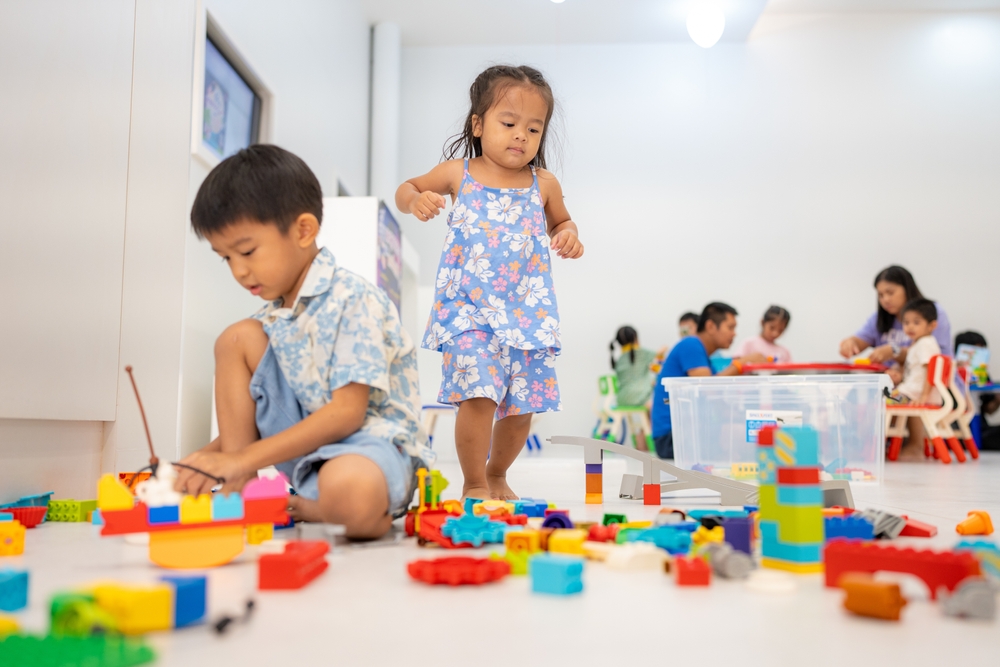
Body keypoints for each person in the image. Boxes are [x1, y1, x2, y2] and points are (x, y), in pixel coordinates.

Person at [174, 145, 431, 539]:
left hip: (370, 446)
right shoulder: (271, 321)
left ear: (303, 230)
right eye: (226, 258)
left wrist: (238, 456)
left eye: (246, 251)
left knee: (351, 493)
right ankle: (239, 488)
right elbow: (262, 415)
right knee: (235, 338)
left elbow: (347, 414)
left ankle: (321, 504)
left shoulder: (353, 298)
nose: (239, 271)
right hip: (310, 450)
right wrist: (211, 458)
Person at [395, 65, 584, 500]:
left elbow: (563, 222)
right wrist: (416, 199)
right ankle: (475, 482)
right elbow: (405, 188)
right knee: (477, 395)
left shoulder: (544, 183)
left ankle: (498, 474)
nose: (521, 135)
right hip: (469, 311)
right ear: (479, 125)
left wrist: (569, 235)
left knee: (522, 408)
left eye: (534, 129)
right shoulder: (457, 173)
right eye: (509, 123)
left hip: (527, 314)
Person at [650, 303, 767, 459]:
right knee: (742, 436)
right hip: (672, 438)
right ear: (711, 326)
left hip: (682, 434)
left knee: (751, 432)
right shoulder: (690, 344)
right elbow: (707, 388)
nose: (734, 334)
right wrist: (741, 364)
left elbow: (717, 402)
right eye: (730, 327)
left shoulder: (705, 360)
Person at [839, 266, 952, 367]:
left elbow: (934, 357)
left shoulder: (934, 312)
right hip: (892, 386)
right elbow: (859, 342)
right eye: (881, 295)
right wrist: (850, 343)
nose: (885, 300)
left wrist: (895, 351)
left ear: (907, 288)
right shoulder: (878, 317)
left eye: (890, 293)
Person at [889, 299, 943, 460]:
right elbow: (917, 372)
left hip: (914, 393)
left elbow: (930, 371)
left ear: (932, 325)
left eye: (916, 322)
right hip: (911, 390)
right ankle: (892, 444)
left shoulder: (925, 344)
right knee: (885, 400)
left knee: (881, 402)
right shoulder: (919, 344)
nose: (910, 326)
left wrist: (924, 396)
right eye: (906, 322)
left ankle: (882, 444)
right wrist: (900, 376)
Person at [955, 331, 1000, 451]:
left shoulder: (983, 375)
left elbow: (989, 409)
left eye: (982, 351)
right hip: (955, 427)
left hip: (981, 428)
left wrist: (997, 400)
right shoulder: (950, 373)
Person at [610, 326, 658, 409]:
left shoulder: (619, 358)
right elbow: (659, 354)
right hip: (640, 397)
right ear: (635, 339)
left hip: (622, 399)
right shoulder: (641, 352)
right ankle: (652, 422)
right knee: (665, 401)